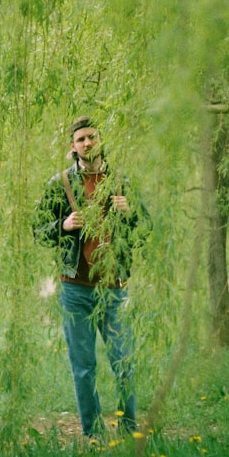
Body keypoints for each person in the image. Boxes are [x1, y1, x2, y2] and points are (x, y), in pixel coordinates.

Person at [32, 115, 151, 438]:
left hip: (114, 289)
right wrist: (64, 226)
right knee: (84, 369)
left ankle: (129, 431)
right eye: (81, 139)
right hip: (75, 290)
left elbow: (146, 230)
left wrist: (130, 213)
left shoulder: (123, 182)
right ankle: (93, 434)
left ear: (100, 141)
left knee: (124, 363)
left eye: (92, 137)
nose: (87, 143)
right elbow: (38, 231)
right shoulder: (60, 185)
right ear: (73, 146)